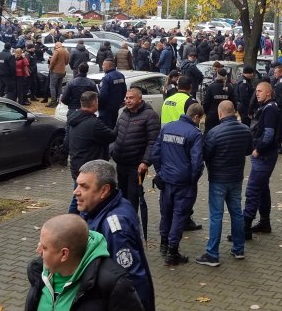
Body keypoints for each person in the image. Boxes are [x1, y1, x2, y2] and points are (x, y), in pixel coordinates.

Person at [74, 160, 155, 311]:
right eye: (77, 184)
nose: (76, 191)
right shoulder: (98, 208)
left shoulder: (115, 228)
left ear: (104, 190)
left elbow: (129, 280)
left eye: (84, 186)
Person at [26, 213, 144, 311]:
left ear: (64, 254)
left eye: (44, 247)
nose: (38, 250)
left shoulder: (113, 284)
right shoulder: (39, 272)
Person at [196, 100, 253, 266]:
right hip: (236, 177)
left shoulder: (214, 133)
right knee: (237, 212)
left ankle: (212, 254)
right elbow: (249, 150)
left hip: (218, 179)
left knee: (216, 216)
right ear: (234, 111)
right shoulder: (245, 130)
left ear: (220, 113)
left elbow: (206, 155)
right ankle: (239, 249)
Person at [151, 103, 205, 266]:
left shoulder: (168, 127)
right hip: (184, 182)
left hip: (166, 180)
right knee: (179, 215)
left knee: (166, 212)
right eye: (200, 119)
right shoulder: (195, 134)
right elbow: (197, 162)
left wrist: (161, 172)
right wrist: (192, 179)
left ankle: (163, 244)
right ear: (196, 117)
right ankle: (172, 252)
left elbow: (155, 153)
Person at [109, 87, 160, 237]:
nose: (127, 100)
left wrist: (145, 162)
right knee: (121, 196)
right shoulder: (123, 113)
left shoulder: (150, 116)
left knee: (132, 198)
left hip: (136, 166)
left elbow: (153, 142)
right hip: (120, 163)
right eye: (126, 98)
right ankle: (122, 225)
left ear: (140, 100)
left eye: (131, 98)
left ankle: (131, 228)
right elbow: (115, 133)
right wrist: (112, 149)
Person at [67, 92, 116, 214]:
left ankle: (71, 221)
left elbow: (66, 140)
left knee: (78, 195)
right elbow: (111, 136)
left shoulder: (73, 118)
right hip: (90, 167)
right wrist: (120, 123)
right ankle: (76, 224)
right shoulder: (94, 123)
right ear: (94, 103)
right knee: (84, 199)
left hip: (76, 163)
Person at [242, 82, 280, 237]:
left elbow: (269, 134)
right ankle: (265, 222)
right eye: (256, 91)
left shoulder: (270, 109)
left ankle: (244, 229)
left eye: (260, 91)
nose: (257, 93)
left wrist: (258, 149)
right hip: (265, 155)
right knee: (263, 189)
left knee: (253, 190)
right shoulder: (268, 107)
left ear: (268, 93)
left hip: (264, 156)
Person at [97, 59, 126, 129]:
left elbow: (103, 95)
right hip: (115, 108)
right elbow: (124, 90)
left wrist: (99, 106)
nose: (102, 66)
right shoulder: (121, 75)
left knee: (105, 129)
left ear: (108, 66)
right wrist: (119, 102)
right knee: (112, 127)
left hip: (106, 109)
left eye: (103, 65)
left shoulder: (106, 78)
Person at [48, 42, 70, 107]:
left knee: (52, 86)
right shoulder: (66, 52)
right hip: (62, 71)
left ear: (57, 46)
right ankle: (59, 101)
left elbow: (53, 61)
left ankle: (53, 101)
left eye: (55, 46)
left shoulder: (57, 51)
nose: (55, 47)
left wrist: (50, 68)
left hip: (55, 71)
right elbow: (66, 62)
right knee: (59, 86)